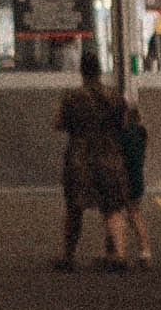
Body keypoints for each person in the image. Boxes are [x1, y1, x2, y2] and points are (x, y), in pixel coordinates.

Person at [55, 46, 130, 270]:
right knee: (112, 207)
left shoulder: (72, 97)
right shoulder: (115, 96)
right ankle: (118, 254)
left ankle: (68, 256)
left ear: (82, 72)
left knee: (74, 208)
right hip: (110, 154)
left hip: (80, 156)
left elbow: (58, 123)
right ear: (99, 71)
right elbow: (125, 123)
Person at [118, 87, 152, 266]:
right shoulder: (141, 133)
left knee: (119, 214)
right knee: (134, 214)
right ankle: (143, 250)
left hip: (126, 178)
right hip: (138, 177)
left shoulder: (124, 134)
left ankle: (139, 250)